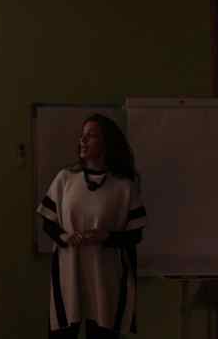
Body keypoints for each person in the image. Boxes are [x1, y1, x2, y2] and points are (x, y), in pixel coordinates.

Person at [36, 114, 146, 339]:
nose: (83, 141)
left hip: (106, 278)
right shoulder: (65, 179)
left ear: (106, 143)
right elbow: (48, 222)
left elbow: (135, 234)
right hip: (69, 274)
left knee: (102, 330)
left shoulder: (124, 186)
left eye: (91, 136)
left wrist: (106, 236)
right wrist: (65, 237)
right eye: (82, 136)